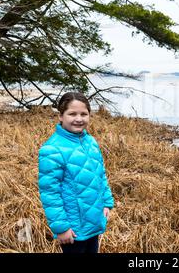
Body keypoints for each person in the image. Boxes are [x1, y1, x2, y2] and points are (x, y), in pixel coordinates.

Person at [38, 92, 114, 253]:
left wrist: (107, 202)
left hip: (93, 220)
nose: (78, 119)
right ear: (60, 116)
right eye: (72, 114)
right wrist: (61, 227)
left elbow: (100, 175)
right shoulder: (52, 149)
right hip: (72, 227)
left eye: (83, 114)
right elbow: (50, 193)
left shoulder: (91, 142)